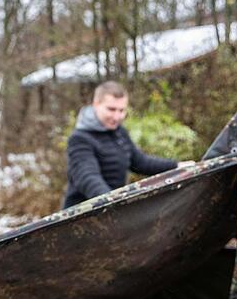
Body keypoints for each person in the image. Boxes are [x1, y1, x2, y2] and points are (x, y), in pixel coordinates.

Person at [63, 81, 195, 209]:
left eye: (121, 110)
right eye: (111, 109)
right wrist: (111, 201)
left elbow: (140, 162)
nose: (117, 116)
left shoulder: (119, 132)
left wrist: (177, 166)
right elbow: (88, 177)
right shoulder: (79, 139)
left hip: (113, 209)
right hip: (84, 216)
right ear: (96, 104)